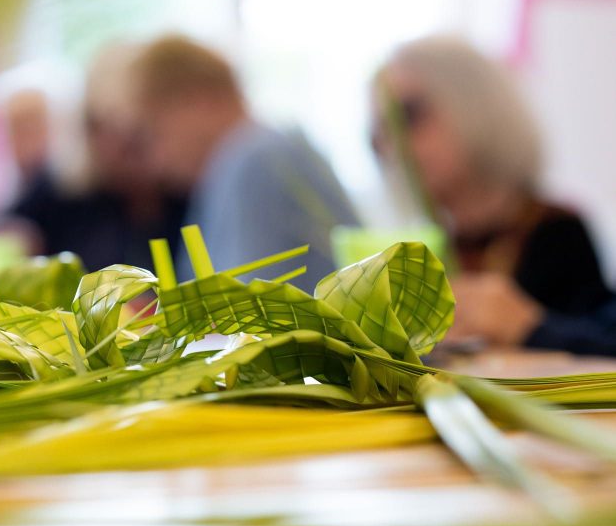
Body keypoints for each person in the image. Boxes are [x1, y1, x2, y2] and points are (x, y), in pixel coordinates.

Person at [371, 35, 613, 353]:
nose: (392, 143)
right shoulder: (430, 244)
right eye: (377, 131)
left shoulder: (556, 231)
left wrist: (529, 325)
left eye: (408, 115)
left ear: (471, 103)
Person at [131, 35, 358, 290]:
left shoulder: (252, 160)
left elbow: (241, 315)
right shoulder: (270, 148)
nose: (157, 162)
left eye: (154, 134)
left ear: (195, 99)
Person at [2, 43, 186, 271]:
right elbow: (0, 232)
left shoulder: (189, 195)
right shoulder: (60, 191)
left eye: (142, 134)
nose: (134, 153)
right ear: (89, 129)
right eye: (114, 130)